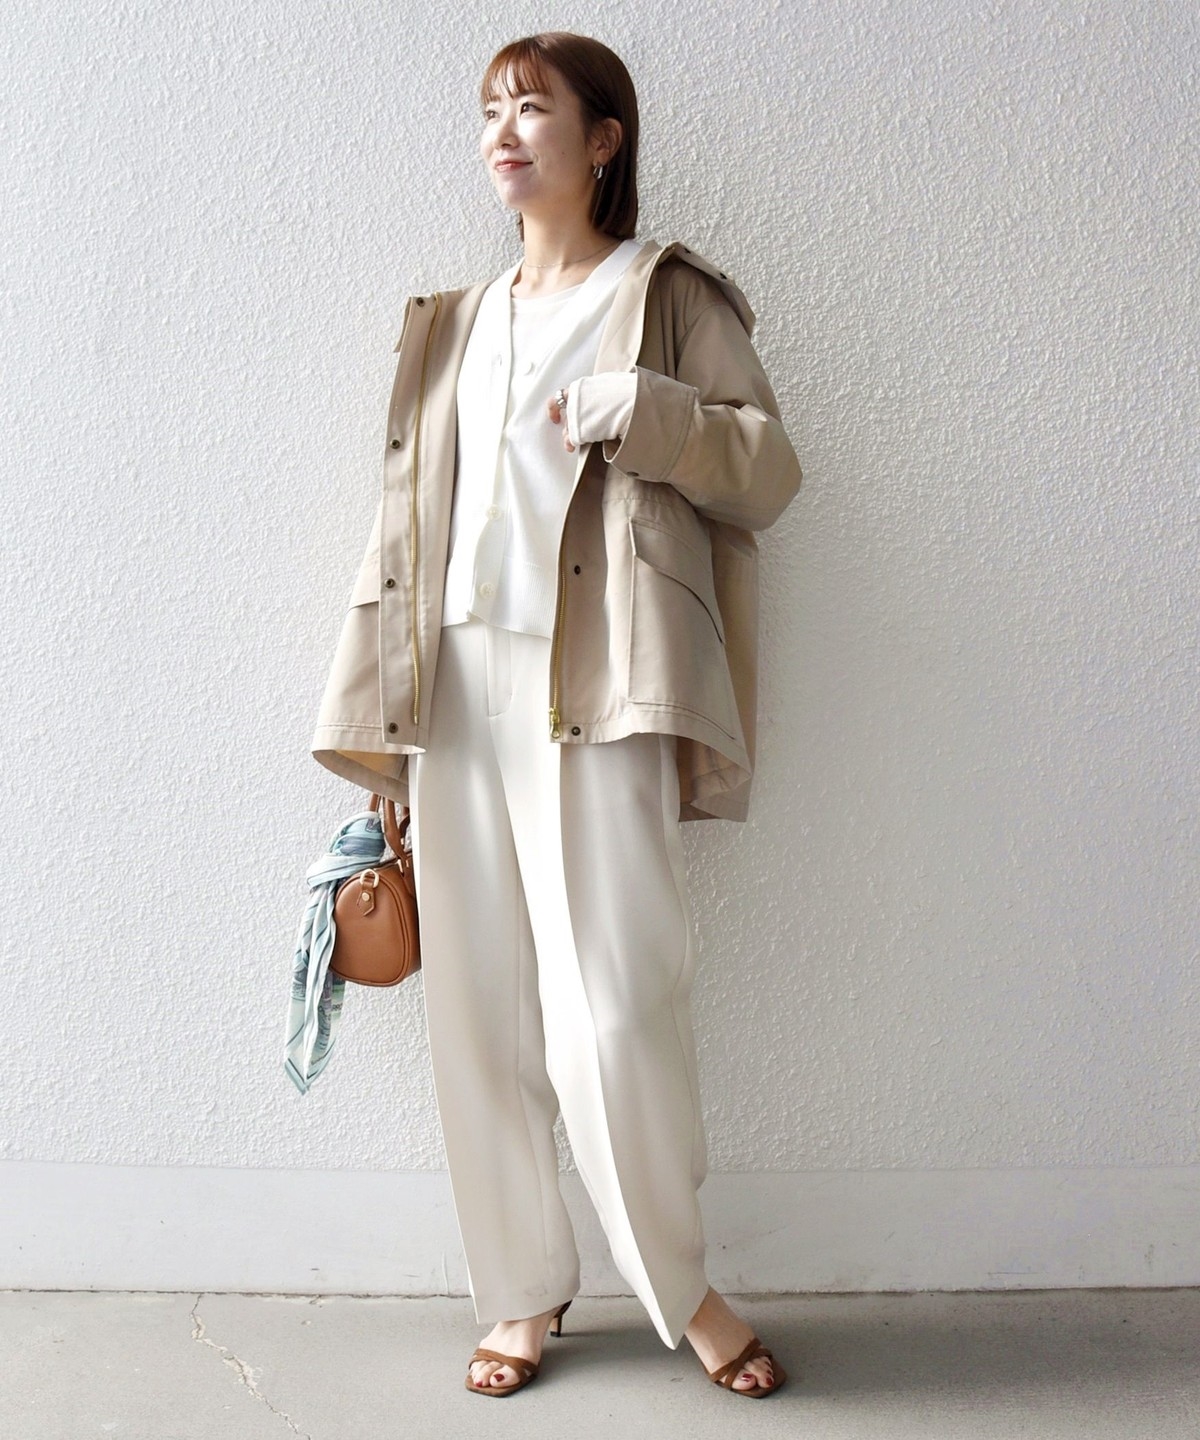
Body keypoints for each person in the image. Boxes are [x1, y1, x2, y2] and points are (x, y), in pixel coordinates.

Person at [310, 31, 802, 1399]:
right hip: (457, 687)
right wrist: (388, 726)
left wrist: (648, 413)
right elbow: (409, 525)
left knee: (618, 1001)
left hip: (598, 680)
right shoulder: (455, 321)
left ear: (603, 139)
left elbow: (768, 472)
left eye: (533, 106)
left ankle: (683, 1286)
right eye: (490, 110)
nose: (504, 130)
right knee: (479, 1009)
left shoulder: (665, 294)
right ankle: (520, 1292)